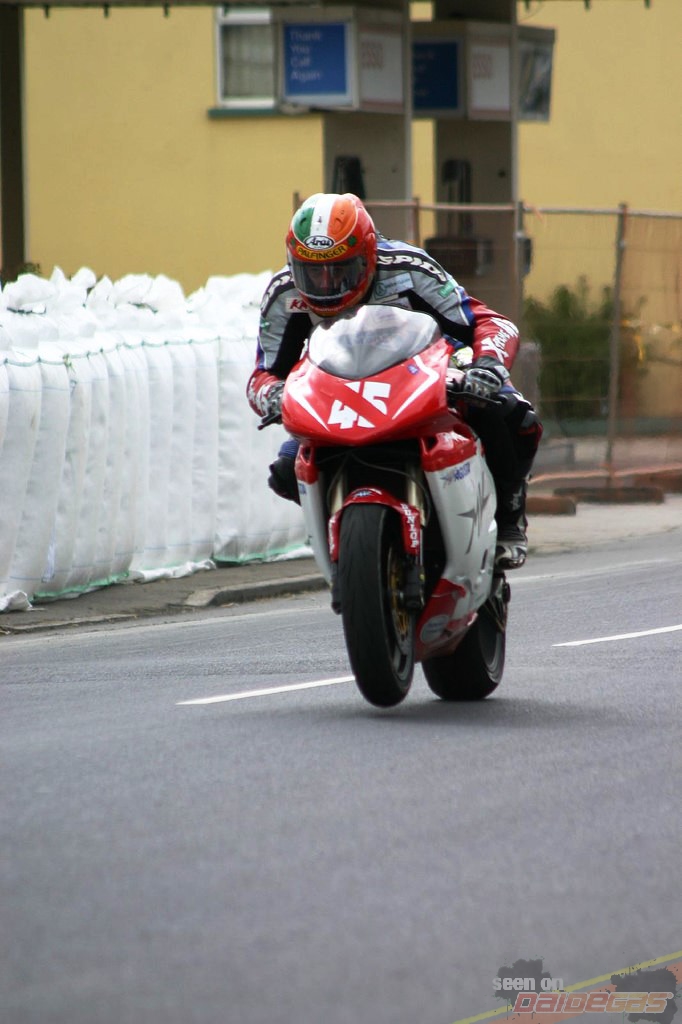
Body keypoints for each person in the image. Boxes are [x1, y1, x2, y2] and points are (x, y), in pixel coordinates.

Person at [246, 192, 542, 570]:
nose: (328, 283)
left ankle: (509, 519)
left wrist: (486, 366)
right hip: (338, 393)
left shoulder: (408, 268)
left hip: (424, 372)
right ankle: (343, 538)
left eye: (341, 269)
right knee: (287, 469)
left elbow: (489, 322)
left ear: (369, 255)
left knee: (509, 412)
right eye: (313, 272)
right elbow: (264, 372)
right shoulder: (284, 293)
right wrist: (274, 394)